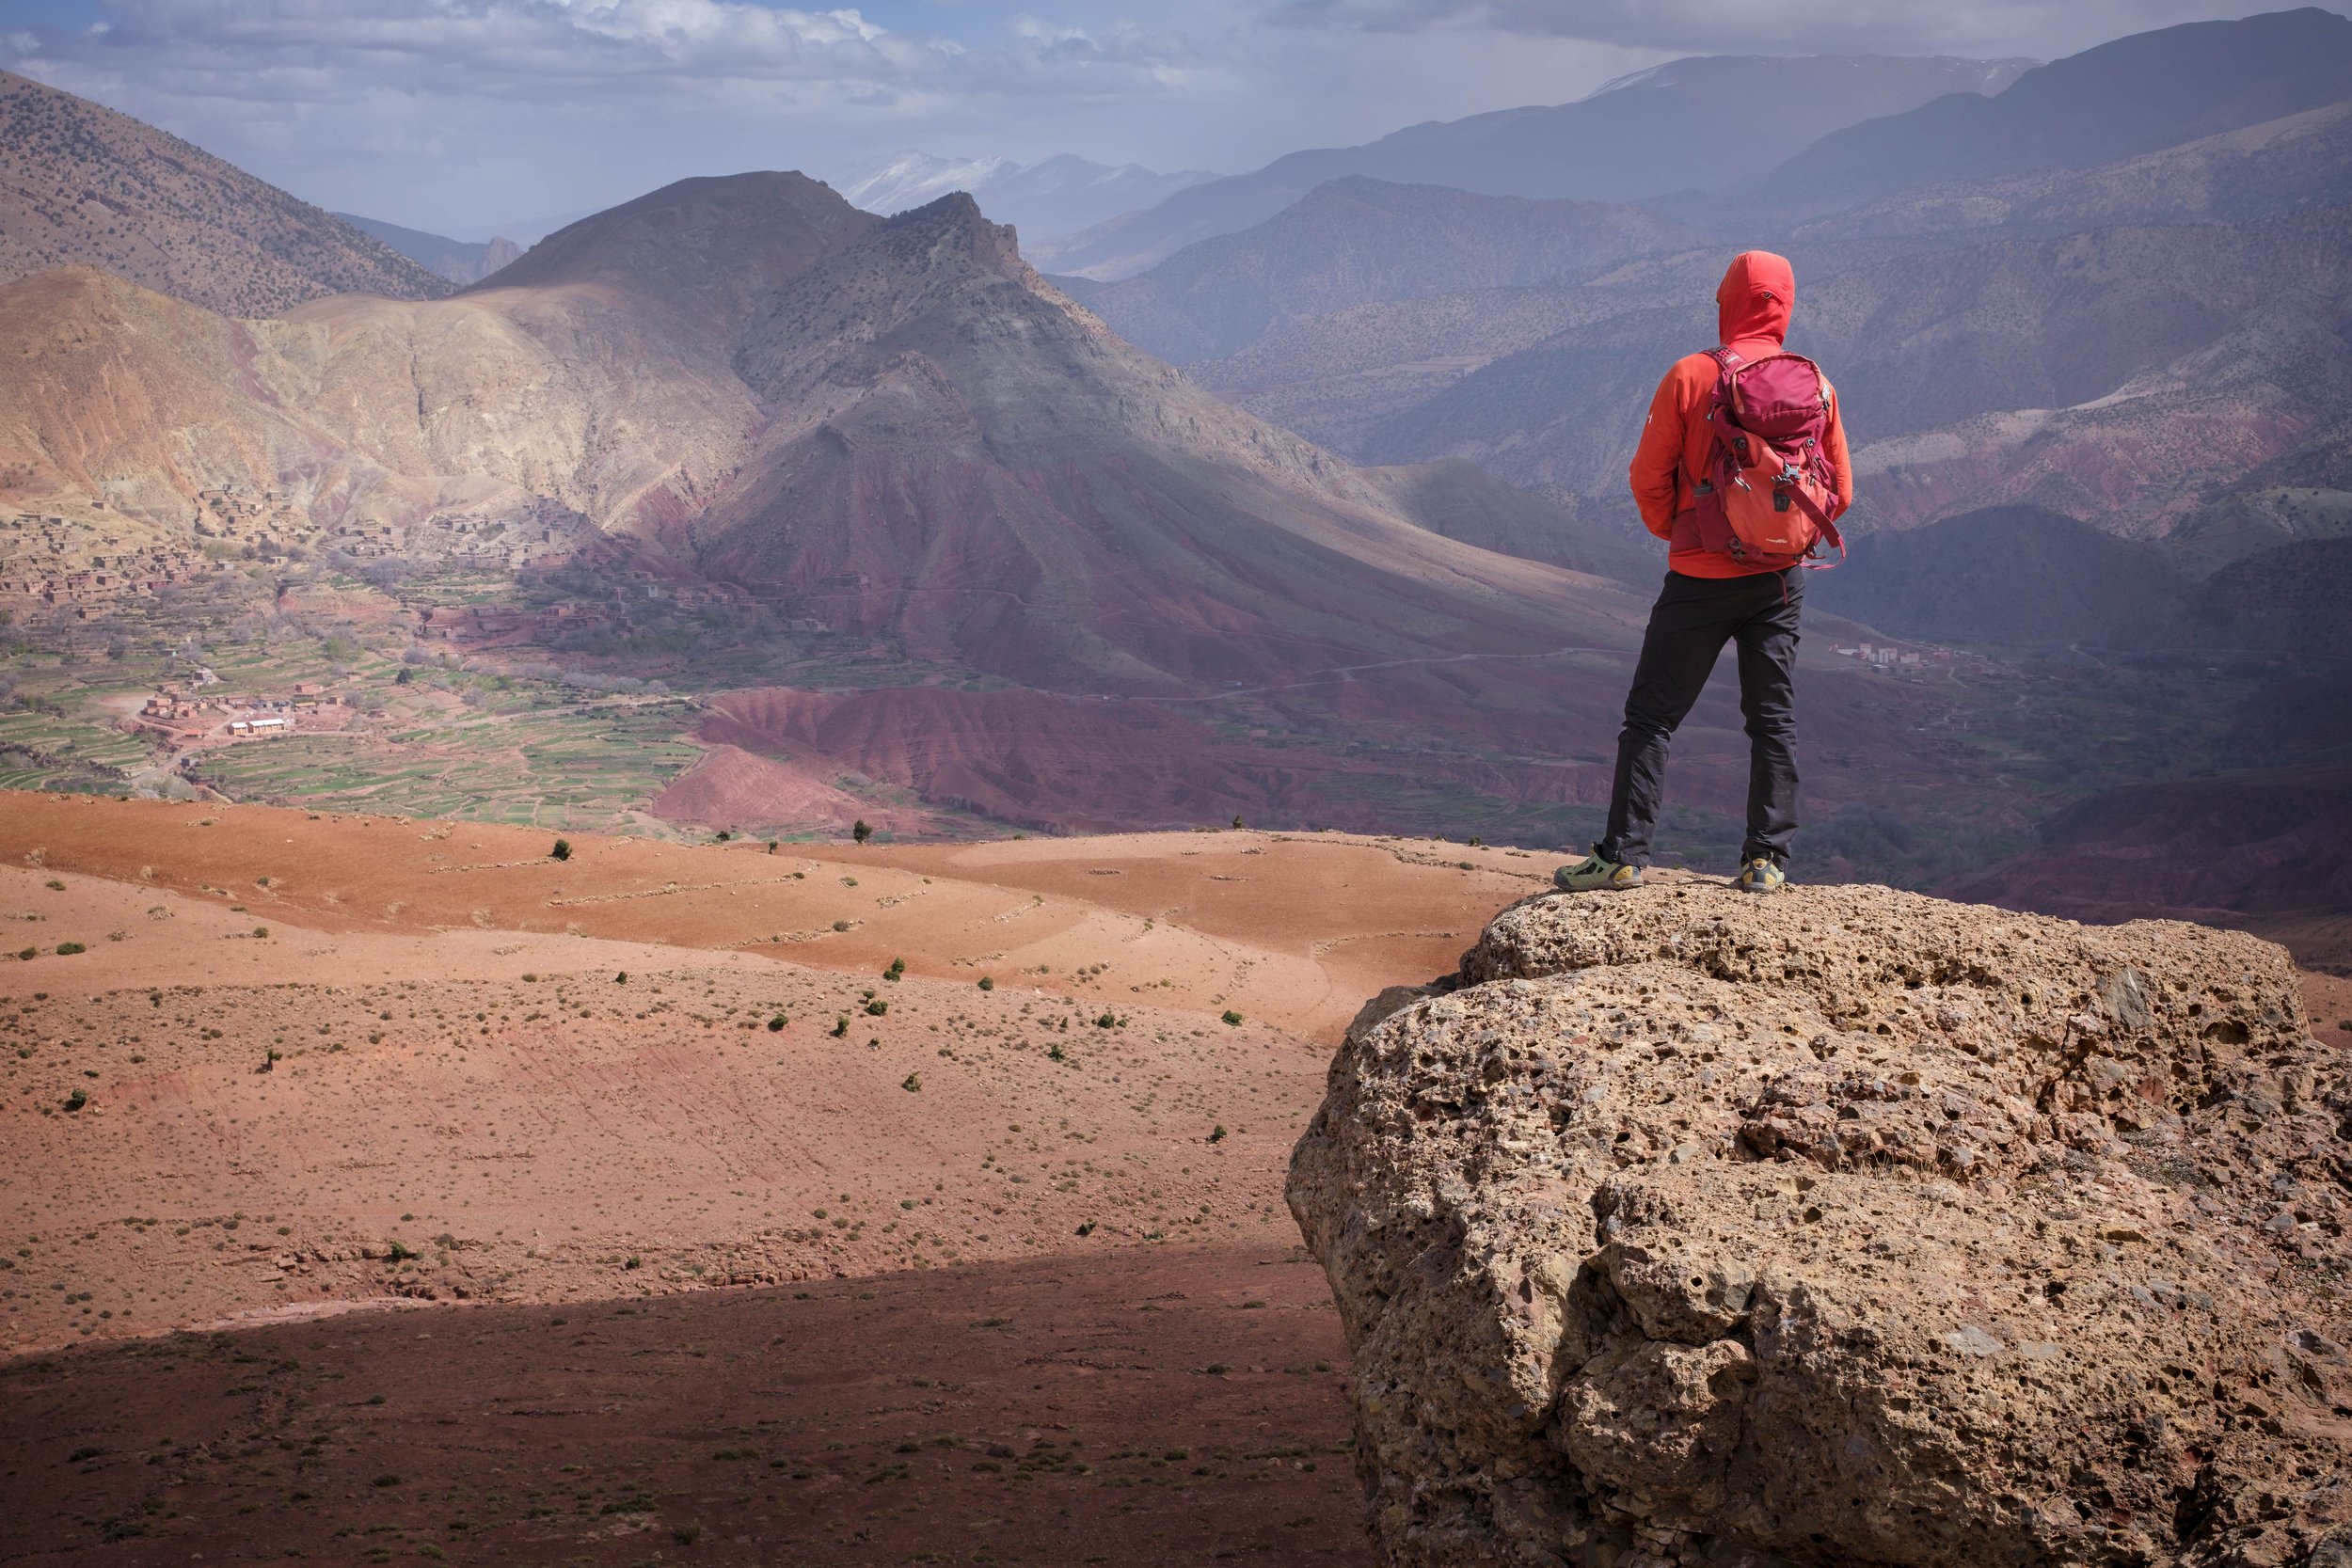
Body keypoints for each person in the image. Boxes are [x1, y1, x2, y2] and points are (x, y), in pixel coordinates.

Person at [1556, 250, 1851, 895]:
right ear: (1784, 305)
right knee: (1771, 718)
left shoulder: (1691, 375)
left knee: (1652, 716)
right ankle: (1766, 860)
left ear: (1728, 301)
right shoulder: (1817, 385)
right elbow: (1841, 491)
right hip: (1779, 581)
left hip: (1699, 579)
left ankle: (1623, 855)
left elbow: (1646, 476)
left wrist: (1684, 533)